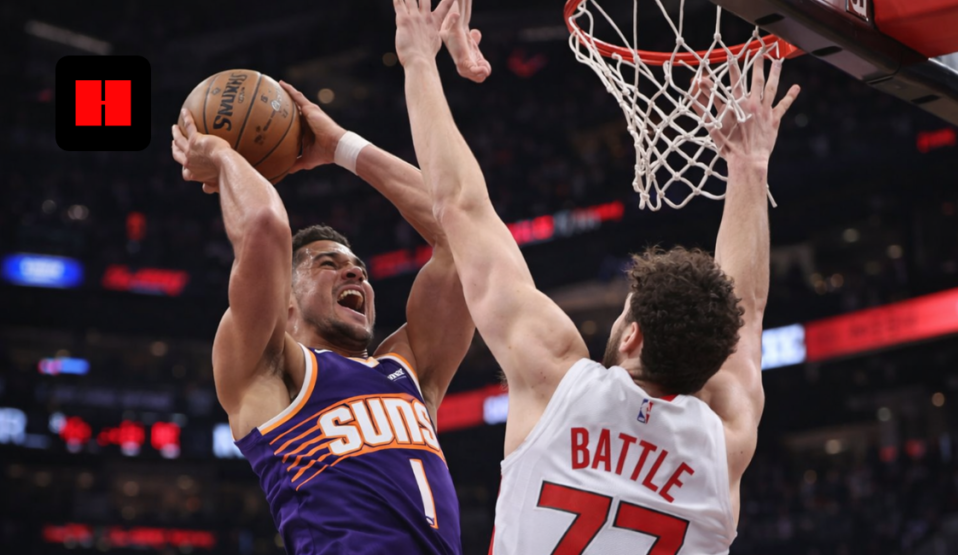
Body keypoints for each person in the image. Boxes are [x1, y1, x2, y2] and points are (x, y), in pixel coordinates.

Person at [394, 0, 800, 552]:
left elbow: (462, 205)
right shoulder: (724, 439)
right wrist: (750, 171)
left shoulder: (555, 376)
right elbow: (745, 311)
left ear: (631, 335)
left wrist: (419, 60)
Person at [170, 71, 476, 552]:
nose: (354, 274)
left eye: (359, 268)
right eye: (328, 265)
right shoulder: (271, 371)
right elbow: (265, 225)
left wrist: (341, 148)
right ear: (285, 301)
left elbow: (462, 236)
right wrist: (224, 156)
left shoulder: (410, 367)